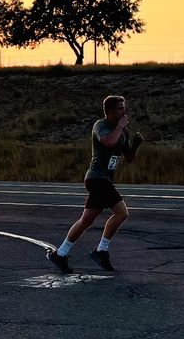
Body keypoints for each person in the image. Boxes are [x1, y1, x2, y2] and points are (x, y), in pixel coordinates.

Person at [48, 95, 144, 274]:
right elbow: (108, 142)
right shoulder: (101, 125)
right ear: (109, 111)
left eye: (124, 108)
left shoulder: (123, 132)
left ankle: (60, 253)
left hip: (105, 179)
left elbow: (129, 158)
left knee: (86, 220)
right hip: (96, 178)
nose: (124, 112)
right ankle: (101, 250)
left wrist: (135, 145)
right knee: (122, 213)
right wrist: (120, 126)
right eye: (120, 109)